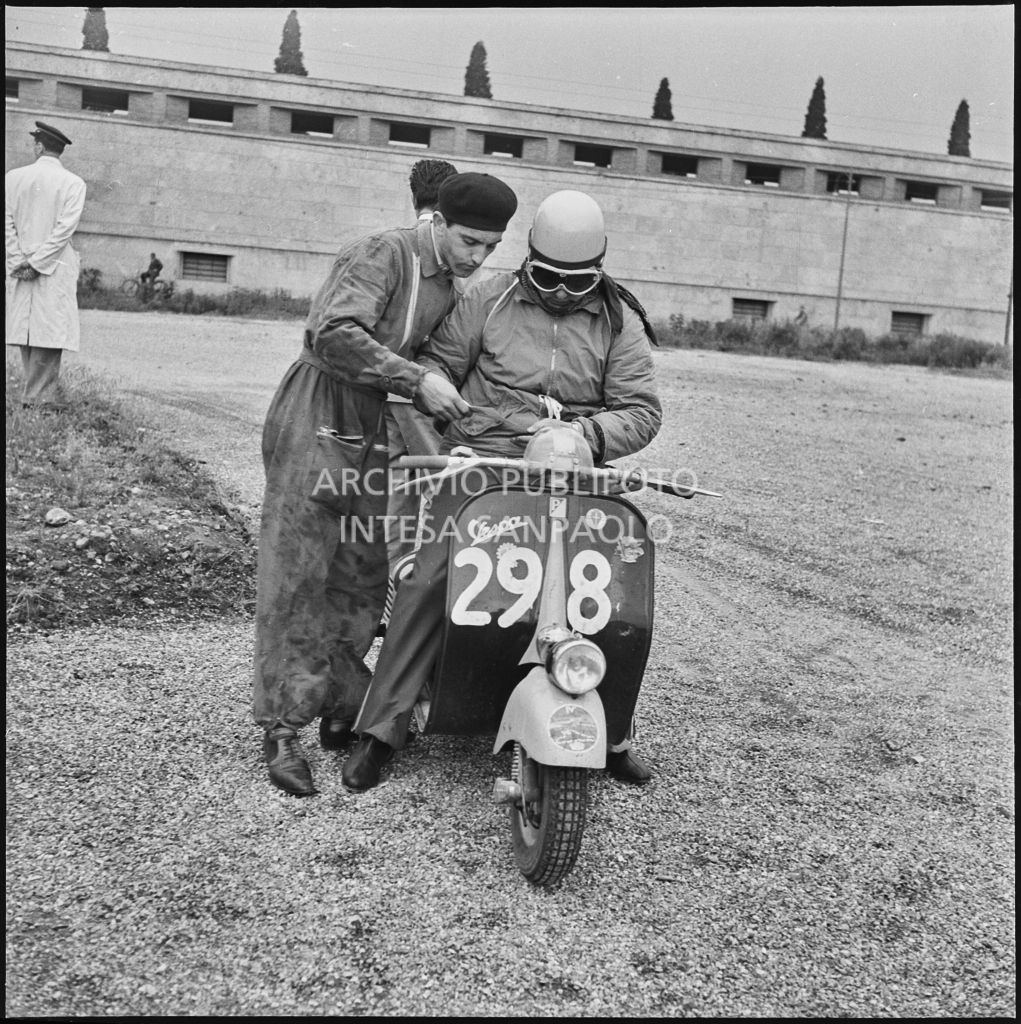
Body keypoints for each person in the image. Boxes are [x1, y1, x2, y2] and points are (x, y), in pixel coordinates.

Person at [343, 189, 663, 793]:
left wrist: (586, 434)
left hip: (575, 469)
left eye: (578, 282)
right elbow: (436, 369)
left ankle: (614, 729)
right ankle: (381, 727)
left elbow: (642, 410)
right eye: (547, 277)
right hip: (484, 464)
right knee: (430, 574)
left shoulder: (619, 322)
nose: (562, 294)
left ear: (599, 270)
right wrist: (455, 424)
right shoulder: (488, 300)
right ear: (527, 261)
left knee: (616, 589)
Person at [253, 171, 518, 797]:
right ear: (439, 224)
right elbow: (334, 332)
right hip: (320, 411)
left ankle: (342, 701)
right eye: (469, 242)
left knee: (364, 569)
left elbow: (436, 357)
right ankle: (282, 728)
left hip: (379, 423)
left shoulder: (453, 285)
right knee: (298, 570)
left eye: (490, 247)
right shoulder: (384, 252)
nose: (477, 258)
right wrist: (414, 378)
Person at [383, 159, 461, 582]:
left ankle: (398, 583)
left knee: (401, 492)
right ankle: (417, 586)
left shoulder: (393, 251)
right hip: (415, 397)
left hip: (393, 393)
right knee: (439, 488)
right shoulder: (441, 262)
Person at [5, 121, 87, 411]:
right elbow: (65, 230)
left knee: (29, 329)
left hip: (22, 264)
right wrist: (39, 263)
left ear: (39, 146)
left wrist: (19, 261)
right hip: (53, 265)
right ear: (59, 150)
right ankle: (37, 399)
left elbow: (7, 224)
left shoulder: (12, 178)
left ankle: (35, 396)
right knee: (48, 331)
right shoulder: (73, 183)